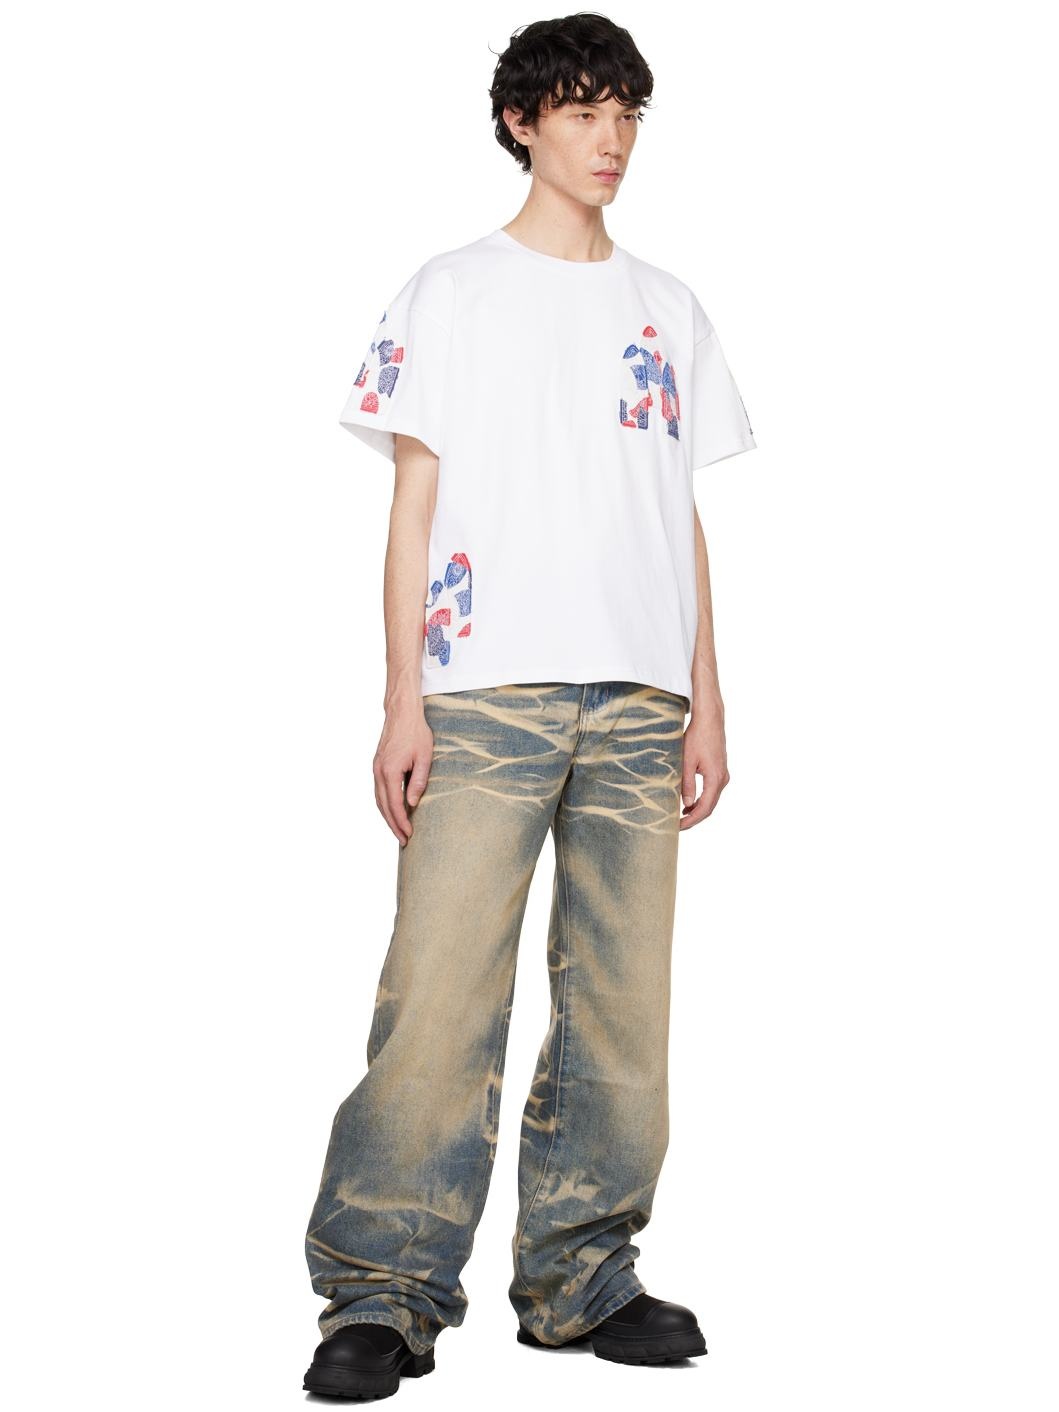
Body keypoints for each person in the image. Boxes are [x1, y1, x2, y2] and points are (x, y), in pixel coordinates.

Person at [302, 12, 757, 1400]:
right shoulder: (451, 291)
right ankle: (383, 1290)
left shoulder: (669, 305)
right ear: (522, 123)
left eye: (628, 113)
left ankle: (582, 1276)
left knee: (622, 1004)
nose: (611, 139)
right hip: (482, 685)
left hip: (640, 695)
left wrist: (708, 699)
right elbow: (413, 504)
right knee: (441, 993)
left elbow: (675, 514)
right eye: (582, 111)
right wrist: (401, 699)